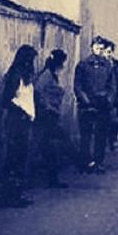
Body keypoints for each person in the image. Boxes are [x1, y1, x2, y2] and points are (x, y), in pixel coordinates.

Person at [0, 44, 38, 207]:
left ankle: (16, 195)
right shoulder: (15, 76)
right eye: (31, 60)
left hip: (24, 121)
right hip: (16, 121)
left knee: (20, 158)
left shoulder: (25, 76)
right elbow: (5, 100)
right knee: (14, 158)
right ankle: (10, 197)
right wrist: (22, 112)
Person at [74, 36, 116, 174]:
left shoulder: (108, 65)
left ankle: (98, 163)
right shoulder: (82, 65)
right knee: (85, 135)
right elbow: (78, 85)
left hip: (102, 104)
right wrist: (85, 100)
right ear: (92, 48)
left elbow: (112, 86)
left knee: (101, 136)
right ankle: (85, 163)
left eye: (101, 48)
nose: (99, 50)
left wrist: (108, 100)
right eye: (97, 47)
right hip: (86, 105)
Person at [34, 49, 69, 189]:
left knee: (49, 148)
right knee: (56, 145)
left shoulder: (52, 75)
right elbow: (38, 91)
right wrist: (47, 105)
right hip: (46, 116)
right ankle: (83, 163)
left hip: (51, 115)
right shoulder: (47, 75)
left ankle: (53, 178)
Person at [102, 39, 118, 152]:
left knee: (115, 121)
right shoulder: (99, 65)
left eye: (110, 52)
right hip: (104, 97)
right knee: (104, 121)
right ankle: (106, 143)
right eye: (106, 52)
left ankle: (112, 141)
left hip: (116, 97)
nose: (108, 54)